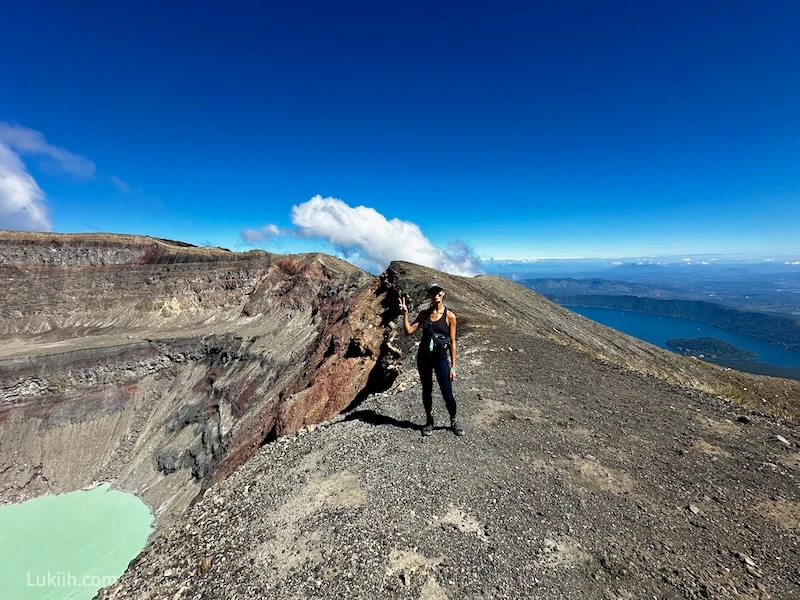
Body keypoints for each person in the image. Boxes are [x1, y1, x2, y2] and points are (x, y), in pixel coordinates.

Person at [399, 282, 464, 437]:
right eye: (432, 292)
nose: (435, 294)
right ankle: (429, 421)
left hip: (441, 357)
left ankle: (454, 420)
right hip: (424, 358)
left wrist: (454, 367)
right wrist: (405, 314)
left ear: (443, 293)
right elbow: (408, 331)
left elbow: (453, 342)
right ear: (428, 295)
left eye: (438, 291)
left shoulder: (450, 316)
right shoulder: (424, 314)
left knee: (447, 392)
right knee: (426, 390)